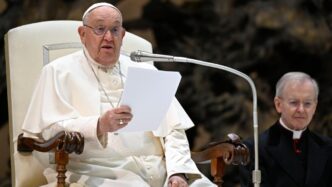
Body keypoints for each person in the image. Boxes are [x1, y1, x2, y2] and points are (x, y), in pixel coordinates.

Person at [21, 2, 216, 187]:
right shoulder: (58, 71)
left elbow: (174, 130)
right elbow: (49, 131)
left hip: (161, 171)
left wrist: (177, 172)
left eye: (115, 30)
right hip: (99, 173)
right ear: (82, 34)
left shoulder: (146, 70)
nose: (108, 37)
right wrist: (98, 125)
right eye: (99, 29)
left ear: (122, 35)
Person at [240, 72, 332, 187]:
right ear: (278, 104)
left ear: (315, 106)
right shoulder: (254, 149)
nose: (301, 110)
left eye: (308, 103)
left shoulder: (328, 147)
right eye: (294, 103)